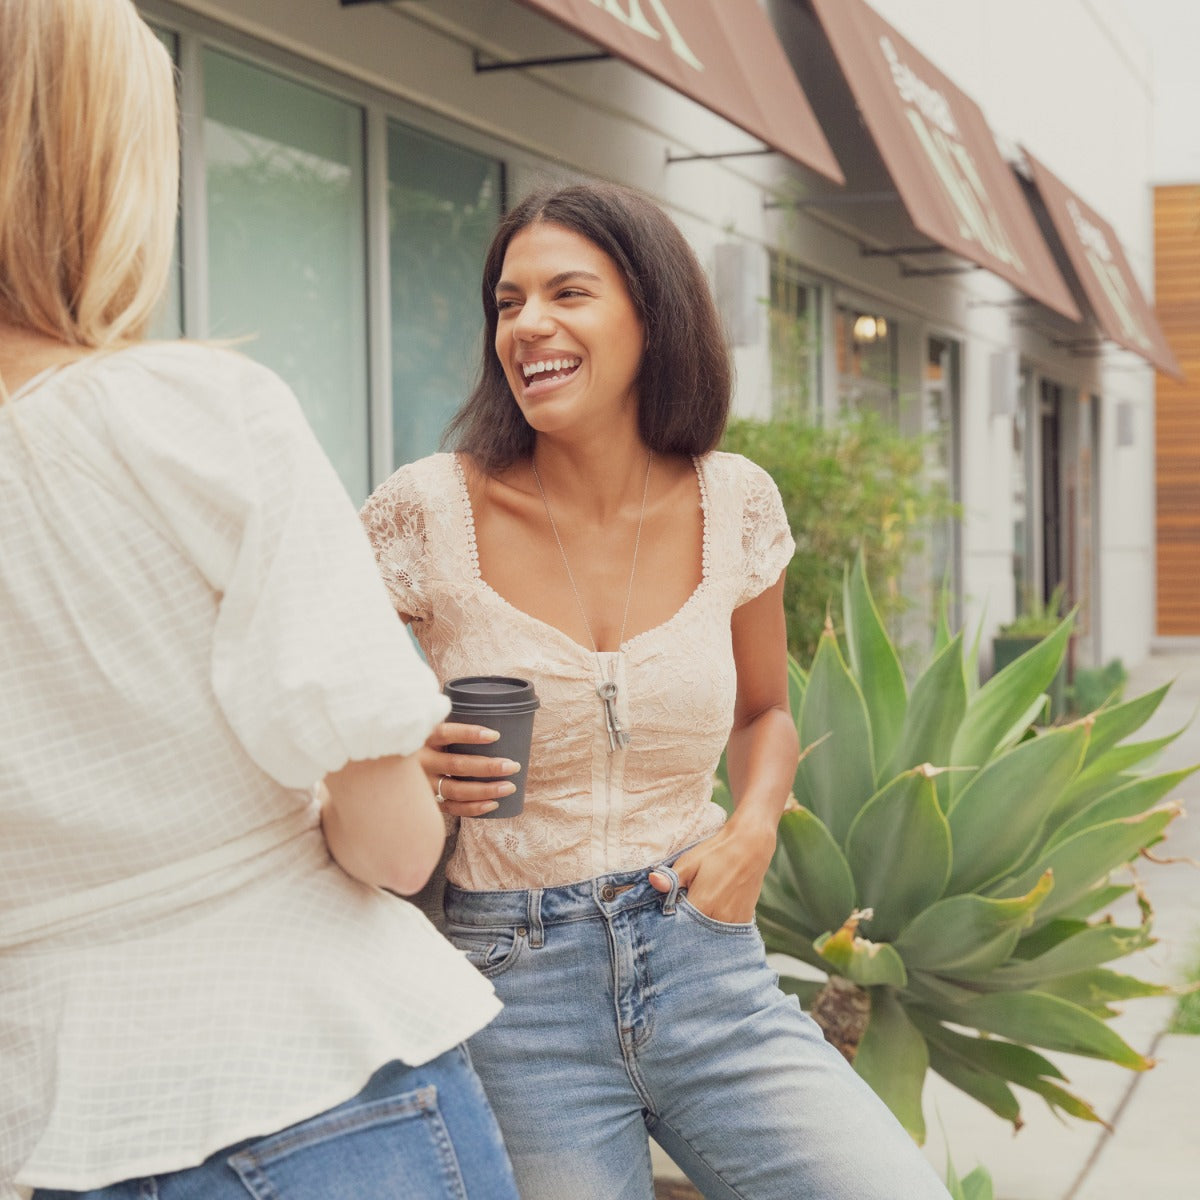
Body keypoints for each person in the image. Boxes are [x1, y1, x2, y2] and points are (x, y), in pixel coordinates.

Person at [0, 3, 518, 1198]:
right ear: (101, 166)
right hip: (318, 1081)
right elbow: (390, 849)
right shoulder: (193, 413)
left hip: (61, 1134)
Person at [361, 181, 952, 1199]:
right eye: (508, 303)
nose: (528, 325)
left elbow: (765, 713)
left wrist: (754, 829)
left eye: (567, 293)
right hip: (514, 985)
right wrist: (402, 757)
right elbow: (324, 719)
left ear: (651, 314)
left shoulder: (734, 503)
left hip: (703, 959)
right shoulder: (429, 512)